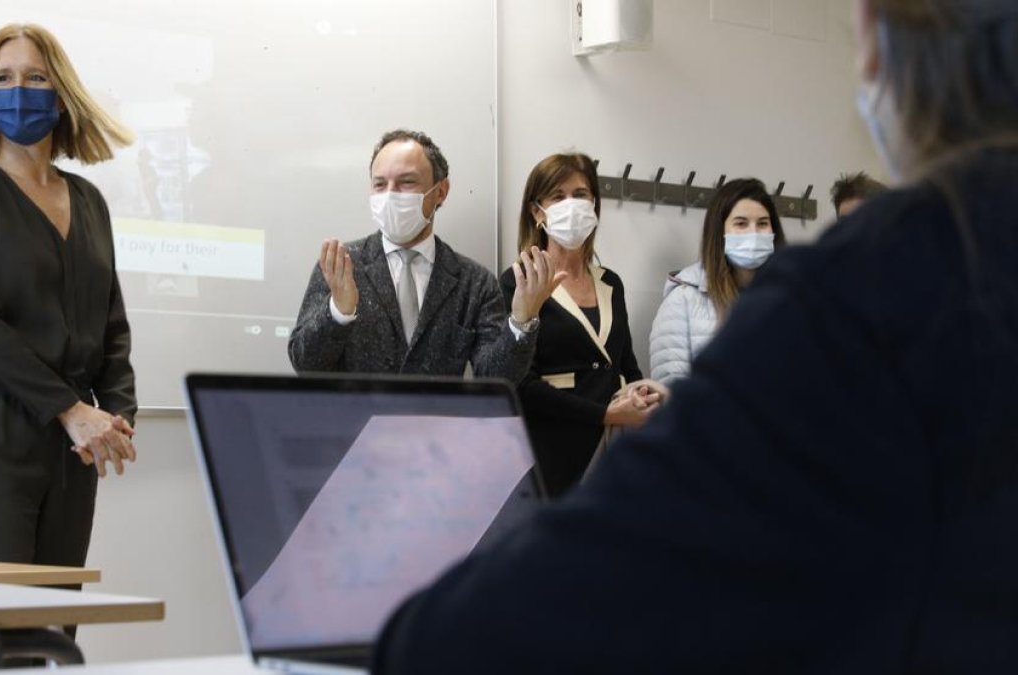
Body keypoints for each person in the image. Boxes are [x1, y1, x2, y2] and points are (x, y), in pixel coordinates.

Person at [372, 0, 1018, 671]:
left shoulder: (852, 300)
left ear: (873, 41)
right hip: (553, 460)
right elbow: (510, 379)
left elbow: (602, 564)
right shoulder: (517, 281)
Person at [0, 24, 137, 571]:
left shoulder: (89, 200)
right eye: (4, 78)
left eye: (36, 77)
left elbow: (111, 324)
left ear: (60, 95)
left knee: (55, 628)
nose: (19, 90)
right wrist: (68, 409)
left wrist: (114, 413)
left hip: (72, 435)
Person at [288, 129, 562, 381]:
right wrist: (338, 312)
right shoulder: (343, 264)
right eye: (380, 184)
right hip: (353, 432)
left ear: (440, 191)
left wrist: (521, 321)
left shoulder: (474, 282)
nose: (391, 195)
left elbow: (495, 378)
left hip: (435, 433)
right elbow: (306, 364)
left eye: (406, 182)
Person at [500, 153, 663, 498]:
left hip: (613, 455)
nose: (571, 205)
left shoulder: (610, 282)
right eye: (558, 196)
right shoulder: (519, 281)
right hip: (550, 458)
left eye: (580, 194)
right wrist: (604, 414)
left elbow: (625, 363)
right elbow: (521, 385)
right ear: (536, 211)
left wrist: (643, 398)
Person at [647, 178, 786, 385]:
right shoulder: (683, 300)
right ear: (719, 231)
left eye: (763, 223)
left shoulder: (788, 297)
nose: (754, 232)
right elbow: (670, 392)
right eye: (741, 223)